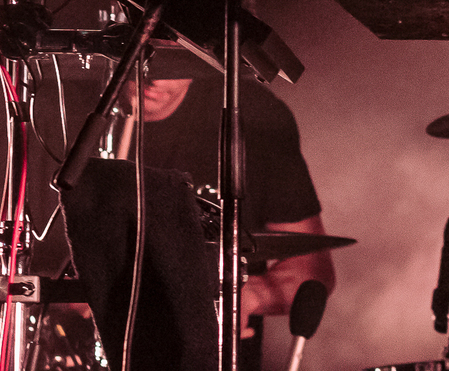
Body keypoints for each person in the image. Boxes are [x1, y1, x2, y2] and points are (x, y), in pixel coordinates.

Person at [127, 74, 335, 371]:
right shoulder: (63, 99)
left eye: (177, 57)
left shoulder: (249, 111)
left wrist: (251, 295)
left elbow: (312, 270)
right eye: (148, 55)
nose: (157, 76)